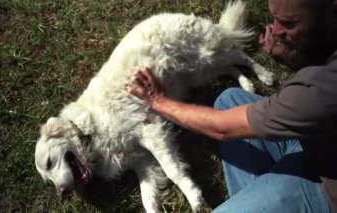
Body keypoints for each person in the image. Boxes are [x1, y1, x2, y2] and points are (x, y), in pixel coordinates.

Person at [126, 0, 337, 212]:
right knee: (229, 101)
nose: (276, 30)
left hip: (327, 186)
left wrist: (157, 101)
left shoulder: (319, 91)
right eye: (274, 18)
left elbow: (222, 128)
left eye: (289, 23)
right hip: (314, 140)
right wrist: (290, 52)